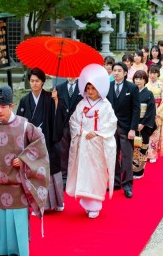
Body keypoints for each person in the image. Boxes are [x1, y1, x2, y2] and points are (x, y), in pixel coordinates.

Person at [0, 85, 50, 256]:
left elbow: (40, 145)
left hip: (17, 187)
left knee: (18, 231)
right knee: (0, 229)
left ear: (11, 106)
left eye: (3, 107)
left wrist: (24, 158)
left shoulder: (24, 126)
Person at [66, 64, 117, 219]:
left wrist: (97, 133)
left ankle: (95, 204)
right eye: (88, 88)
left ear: (99, 88)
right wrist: (81, 131)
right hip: (83, 144)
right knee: (83, 172)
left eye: (93, 88)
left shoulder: (105, 105)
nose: (90, 91)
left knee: (97, 173)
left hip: (97, 144)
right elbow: (73, 121)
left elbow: (112, 123)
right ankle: (87, 202)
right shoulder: (82, 104)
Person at [16, 68, 66, 212]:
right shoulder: (25, 100)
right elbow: (20, 122)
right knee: (33, 172)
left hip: (47, 142)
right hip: (31, 143)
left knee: (49, 170)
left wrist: (56, 102)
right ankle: (37, 203)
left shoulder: (50, 98)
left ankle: (55, 203)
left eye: (37, 81)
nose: (34, 84)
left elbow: (58, 119)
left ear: (43, 82)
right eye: (32, 81)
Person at [107, 62, 140, 198]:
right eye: (114, 70)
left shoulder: (132, 88)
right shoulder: (108, 87)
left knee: (127, 156)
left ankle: (127, 184)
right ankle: (115, 181)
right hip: (111, 127)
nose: (116, 73)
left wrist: (133, 129)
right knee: (112, 155)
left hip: (126, 128)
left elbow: (136, 109)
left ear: (125, 73)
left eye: (119, 70)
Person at [56, 77, 83, 189]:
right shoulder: (58, 88)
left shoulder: (83, 87)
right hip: (63, 124)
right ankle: (64, 176)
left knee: (77, 151)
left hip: (77, 125)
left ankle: (77, 177)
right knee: (63, 151)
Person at [132, 70, 156, 179]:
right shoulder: (132, 92)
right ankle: (131, 169)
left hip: (143, 125)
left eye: (141, 79)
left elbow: (151, 111)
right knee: (132, 147)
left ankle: (139, 170)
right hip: (132, 124)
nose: (138, 81)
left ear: (145, 80)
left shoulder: (149, 94)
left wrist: (143, 123)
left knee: (142, 147)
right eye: (136, 79)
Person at [146, 65, 163, 163]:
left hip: (158, 111)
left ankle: (153, 154)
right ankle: (145, 153)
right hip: (147, 111)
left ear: (158, 74)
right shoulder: (145, 85)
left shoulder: (161, 85)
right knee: (146, 133)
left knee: (155, 133)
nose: (152, 75)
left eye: (154, 73)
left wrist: (157, 111)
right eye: (150, 73)